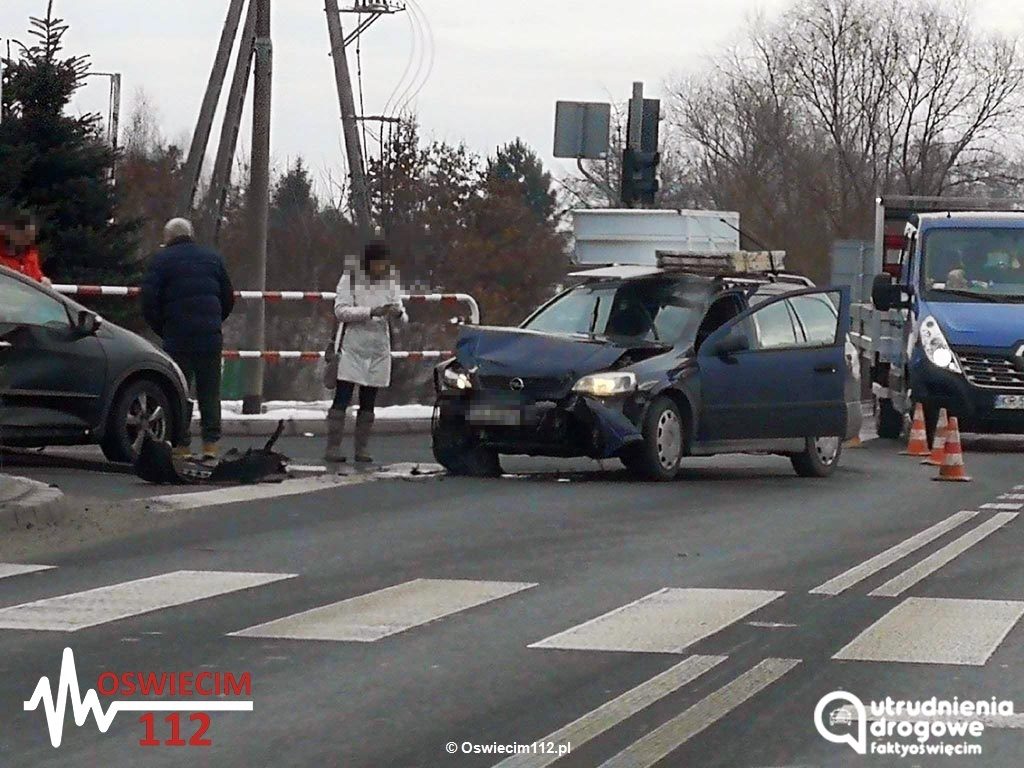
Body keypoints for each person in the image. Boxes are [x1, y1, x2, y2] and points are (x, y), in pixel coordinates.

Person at [141, 218, 235, 460]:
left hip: (177, 336)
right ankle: (211, 444)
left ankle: (181, 444)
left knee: (179, 391)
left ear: (167, 238)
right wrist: (213, 321)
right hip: (210, 336)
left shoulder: (161, 261)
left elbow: (149, 302)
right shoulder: (213, 258)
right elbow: (228, 297)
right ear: (191, 234)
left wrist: (163, 328)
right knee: (209, 391)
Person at [326, 240, 406, 464]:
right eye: (379, 263)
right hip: (352, 346)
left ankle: (362, 448)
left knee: (369, 400)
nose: (382, 268)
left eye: (385, 264)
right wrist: (371, 312)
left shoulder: (390, 283)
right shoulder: (350, 280)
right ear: (368, 263)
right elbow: (341, 311)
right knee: (343, 395)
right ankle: (333, 446)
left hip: (378, 348)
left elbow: (401, 313)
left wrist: (398, 314)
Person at [0, 211, 50, 285]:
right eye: (25, 236)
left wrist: (44, 280)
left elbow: (38, 277)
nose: (28, 241)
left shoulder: (31, 257)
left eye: (31, 237)